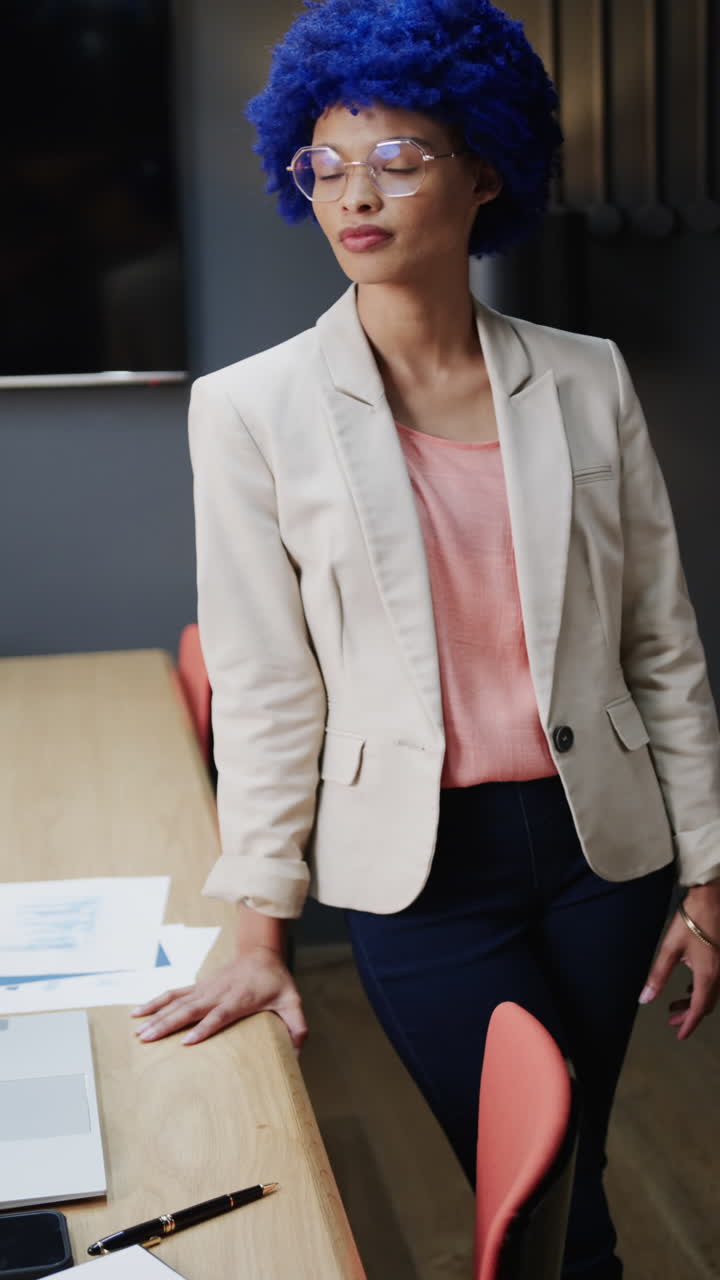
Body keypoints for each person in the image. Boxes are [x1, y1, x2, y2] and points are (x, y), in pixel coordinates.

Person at [132, 1, 720, 1275]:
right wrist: (259, 926)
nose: (359, 194)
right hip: (419, 870)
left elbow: (662, 644)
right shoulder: (250, 410)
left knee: (574, 1176)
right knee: (551, 1194)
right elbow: (267, 684)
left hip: (600, 852)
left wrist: (709, 876)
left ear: (484, 167)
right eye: (326, 164)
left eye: (400, 159)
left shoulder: (585, 375)